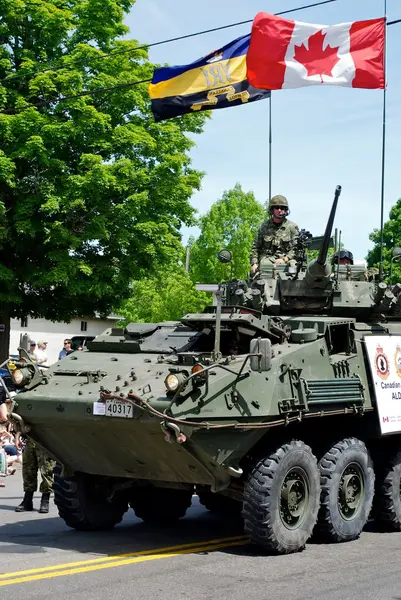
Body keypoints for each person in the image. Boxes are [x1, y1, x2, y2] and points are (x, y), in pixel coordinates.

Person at [250, 195, 300, 273]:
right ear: (272, 210)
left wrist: (285, 259)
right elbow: (256, 247)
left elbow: (297, 248)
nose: (280, 210)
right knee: (262, 267)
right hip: (268, 260)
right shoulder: (264, 227)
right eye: (277, 208)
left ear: (286, 210)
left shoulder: (292, 227)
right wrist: (254, 263)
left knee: (293, 268)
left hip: (287, 259)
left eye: (282, 208)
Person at [15, 437, 55, 513]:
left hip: (44, 441)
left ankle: (45, 500)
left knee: (46, 471)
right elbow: (21, 425)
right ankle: (27, 500)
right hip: (30, 440)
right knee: (28, 471)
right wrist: (17, 437)